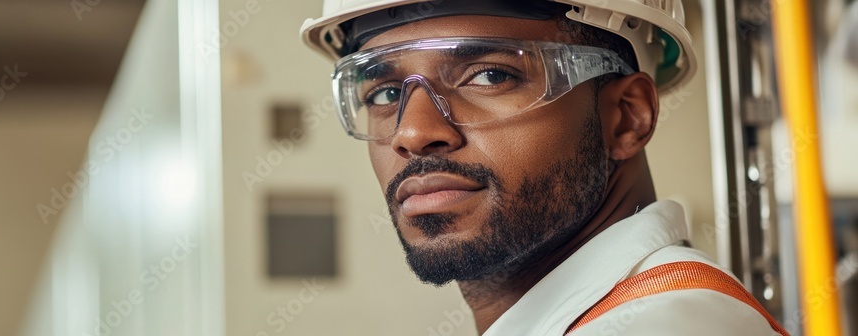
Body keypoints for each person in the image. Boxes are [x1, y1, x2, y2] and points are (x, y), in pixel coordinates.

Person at [298, 0, 788, 335]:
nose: (413, 132)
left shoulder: (666, 324)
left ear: (626, 118)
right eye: (384, 94)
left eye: (490, 75)